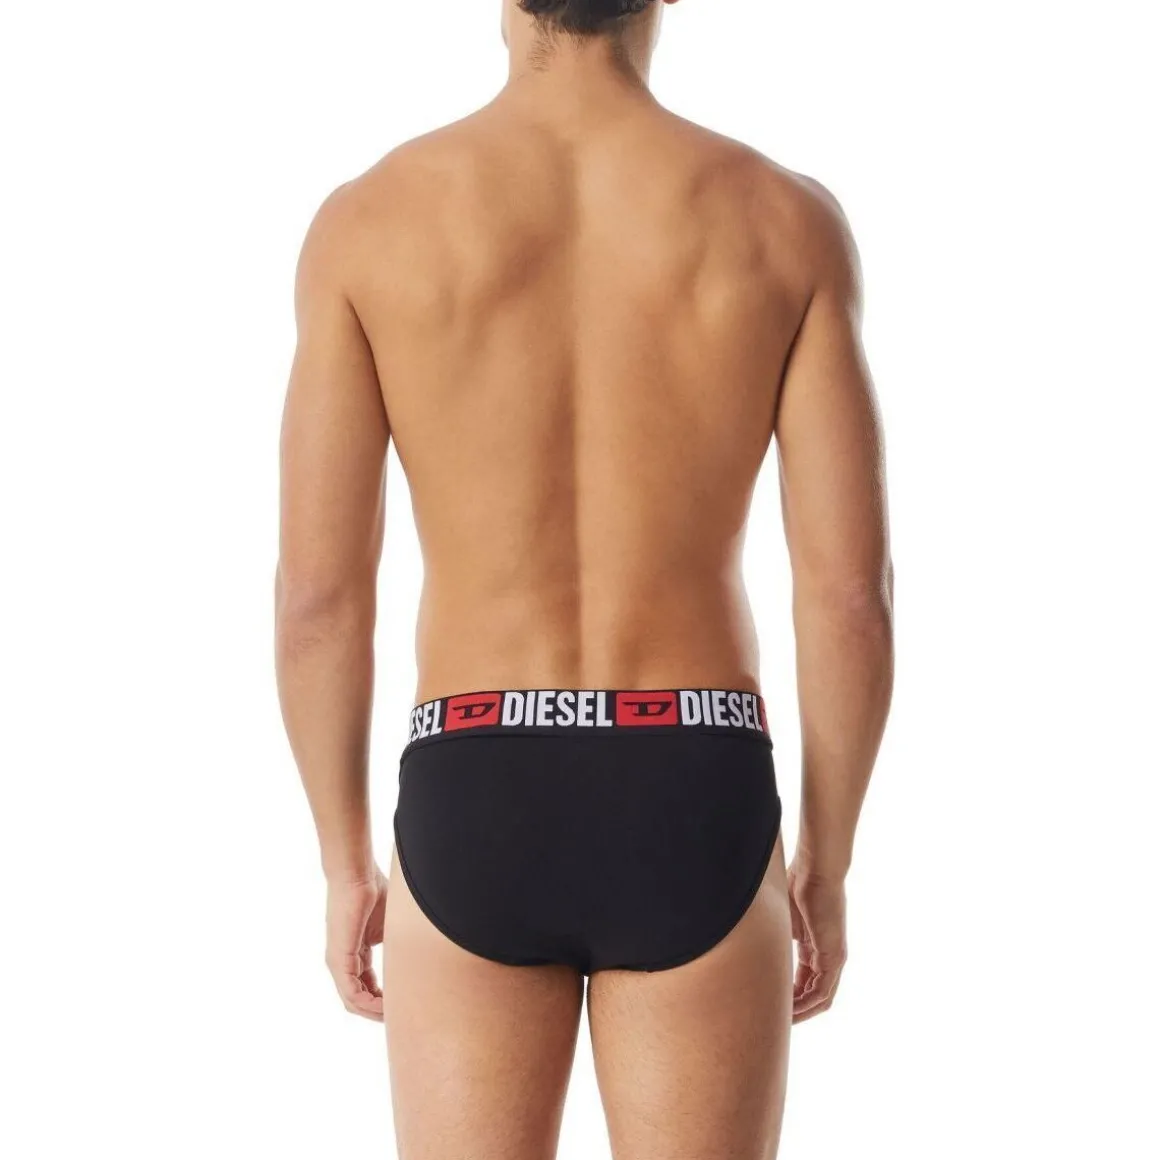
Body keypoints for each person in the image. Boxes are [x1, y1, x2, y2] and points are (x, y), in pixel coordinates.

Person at [275, 0, 894, 1155]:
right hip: (693, 774)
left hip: (474, 770)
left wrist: (343, 856)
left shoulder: (369, 222)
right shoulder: (781, 220)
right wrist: (825, 861)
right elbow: (848, 596)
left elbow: (319, 594)